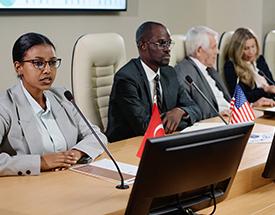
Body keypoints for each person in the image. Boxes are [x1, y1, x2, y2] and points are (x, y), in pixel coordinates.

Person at [0, 32, 107, 176]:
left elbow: (97, 135)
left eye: (52, 62)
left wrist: (76, 153)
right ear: (18, 67)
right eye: (38, 63)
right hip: (27, 189)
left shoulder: (62, 97)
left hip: (68, 179)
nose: (48, 70)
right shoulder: (5, 106)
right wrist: (41, 162)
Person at [106, 21, 202, 142]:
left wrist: (180, 111)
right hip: (128, 145)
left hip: (162, 141)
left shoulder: (169, 73)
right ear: (143, 45)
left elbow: (196, 109)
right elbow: (145, 127)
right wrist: (175, 121)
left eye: (168, 43)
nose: (167, 49)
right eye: (161, 43)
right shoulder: (126, 78)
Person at [175, 26, 231, 119]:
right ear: (199, 51)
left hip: (230, 118)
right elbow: (191, 108)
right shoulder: (184, 72)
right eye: (213, 47)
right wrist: (216, 115)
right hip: (216, 122)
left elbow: (226, 100)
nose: (217, 52)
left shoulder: (210, 69)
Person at [224, 27, 275, 106]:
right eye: (246, 48)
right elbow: (241, 97)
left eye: (253, 46)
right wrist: (265, 90)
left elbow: (272, 84)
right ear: (238, 50)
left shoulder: (259, 60)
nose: (251, 52)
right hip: (255, 107)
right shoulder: (231, 66)